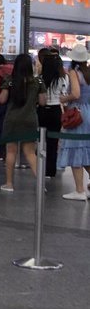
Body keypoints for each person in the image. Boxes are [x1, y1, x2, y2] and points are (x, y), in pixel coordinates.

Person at [0, 54, 47, 192]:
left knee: (11, 151)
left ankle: (9, 184)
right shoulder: (38, 82)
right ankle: (41, 184)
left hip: (12, 120)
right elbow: (43, 102)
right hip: (30, 119)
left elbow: (2, 99)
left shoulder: (10, 81)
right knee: (31, 153)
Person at [56, 44, 90, 201]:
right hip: (88, 112)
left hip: (77, 114)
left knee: (76, 149)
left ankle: (79, 190)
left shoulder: (73, 72)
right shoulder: (88, 73)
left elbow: (75, 93)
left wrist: (64, 98)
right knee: (86, 149)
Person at [37, 54, 68, 178]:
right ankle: (51, 170)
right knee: (53, 143)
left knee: (40, 141)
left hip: (42, 110)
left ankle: (40, 168)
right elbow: (64, 98)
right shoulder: (61, 80)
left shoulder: (39, 78)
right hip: (55, 111)